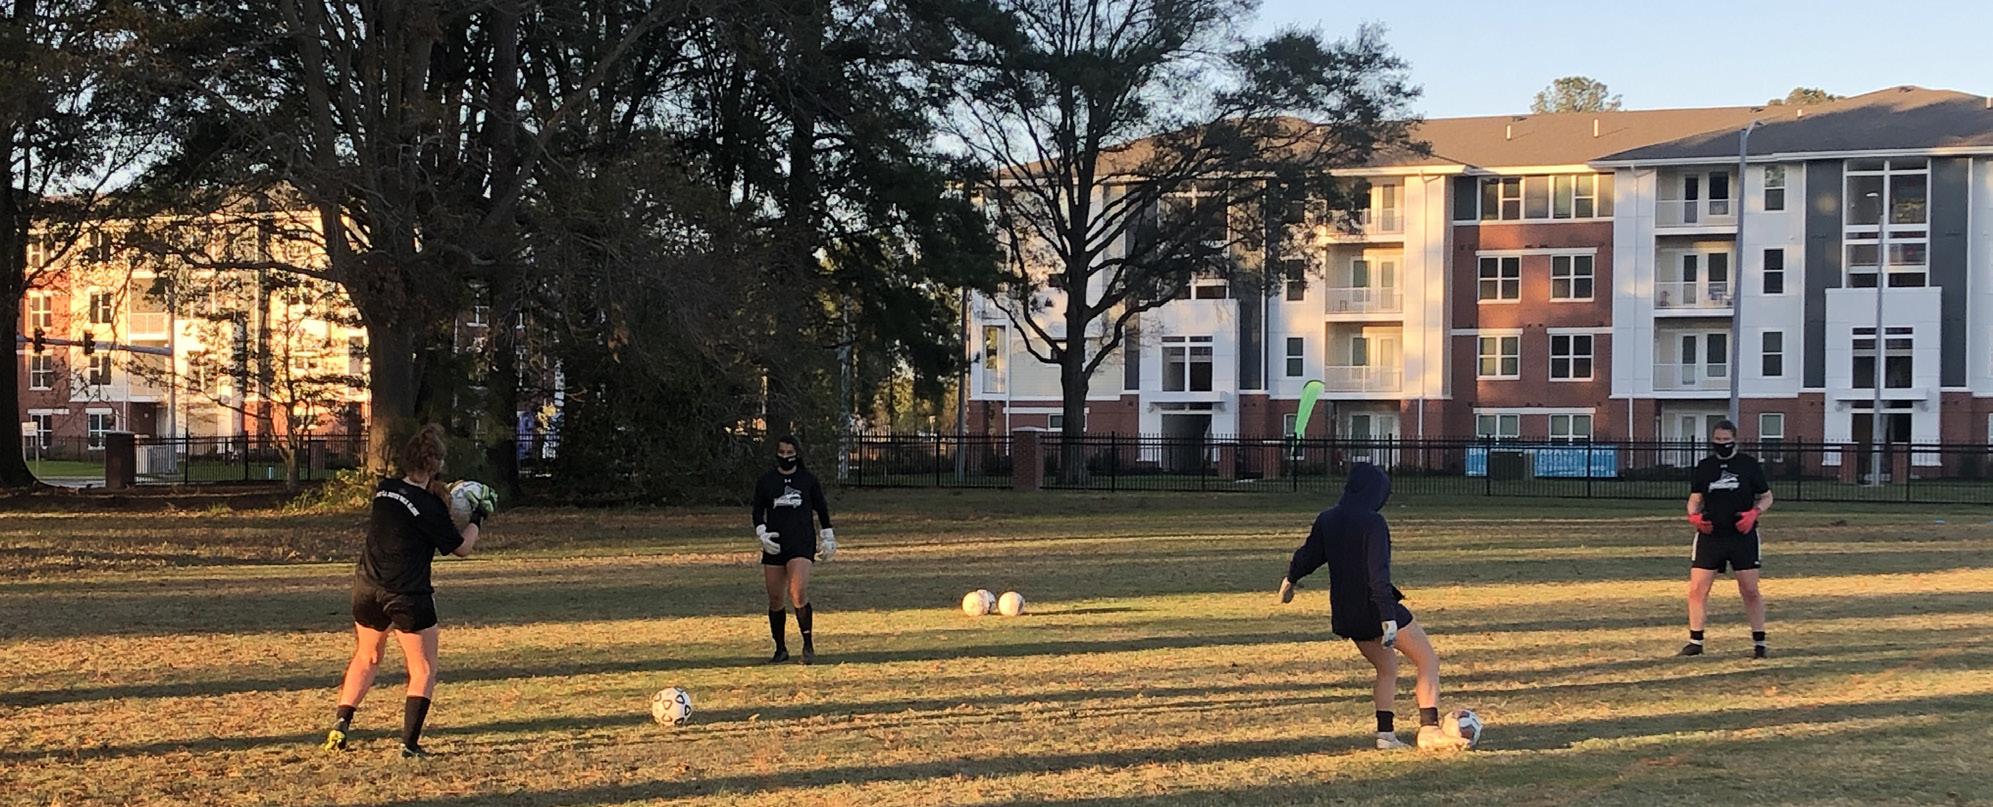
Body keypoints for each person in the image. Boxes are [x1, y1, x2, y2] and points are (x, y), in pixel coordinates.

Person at [322, 424, 490, 758]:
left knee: (367, 656)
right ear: (436, 463)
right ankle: (409, 744)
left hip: (368, 588)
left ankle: (341, 723)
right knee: (423, 669)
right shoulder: (431, 508)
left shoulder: (385, 490)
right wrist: (479, 516)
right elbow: (461, 548)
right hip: (407, 595)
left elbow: (410, 503)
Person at [1277, 463, 1468, 750]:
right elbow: (1378, 574)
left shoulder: (1327, 519)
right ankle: (1429, 729)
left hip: (1347, 613)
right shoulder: (1373, 522)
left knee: (1387, 669)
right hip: (1376, 609)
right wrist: (1388, 617)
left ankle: (1386, 736)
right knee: (1427, 660)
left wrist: (1290, 579)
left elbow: (1309, 555)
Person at [1681, 419, 1774, 659]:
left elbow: (1767, 497)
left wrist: (1754, 513)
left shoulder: (1748, 465)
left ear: (1735, 440)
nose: (1722, 444)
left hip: (1742, 536)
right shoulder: (1705, 467)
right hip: (1710, 536)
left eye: (1726, 440)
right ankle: (1695, 641)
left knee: (1750, 590)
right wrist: (1694, 517)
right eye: (1717, 440)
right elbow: (1695, 498)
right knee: (1697, 589)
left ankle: (1759, 642)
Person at [752, 435, 836, 664]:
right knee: (775, 597)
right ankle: (780, 648)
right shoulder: (767, 480)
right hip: (775, 542)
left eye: (790, 453)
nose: (785, 457)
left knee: (797, 592)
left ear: (797, 454)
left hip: (801, 542)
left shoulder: (807, 480)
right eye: (782, 452)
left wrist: (828, 536)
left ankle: (807, 645)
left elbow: (822, 509)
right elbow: (757, 511)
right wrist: (762, 533)